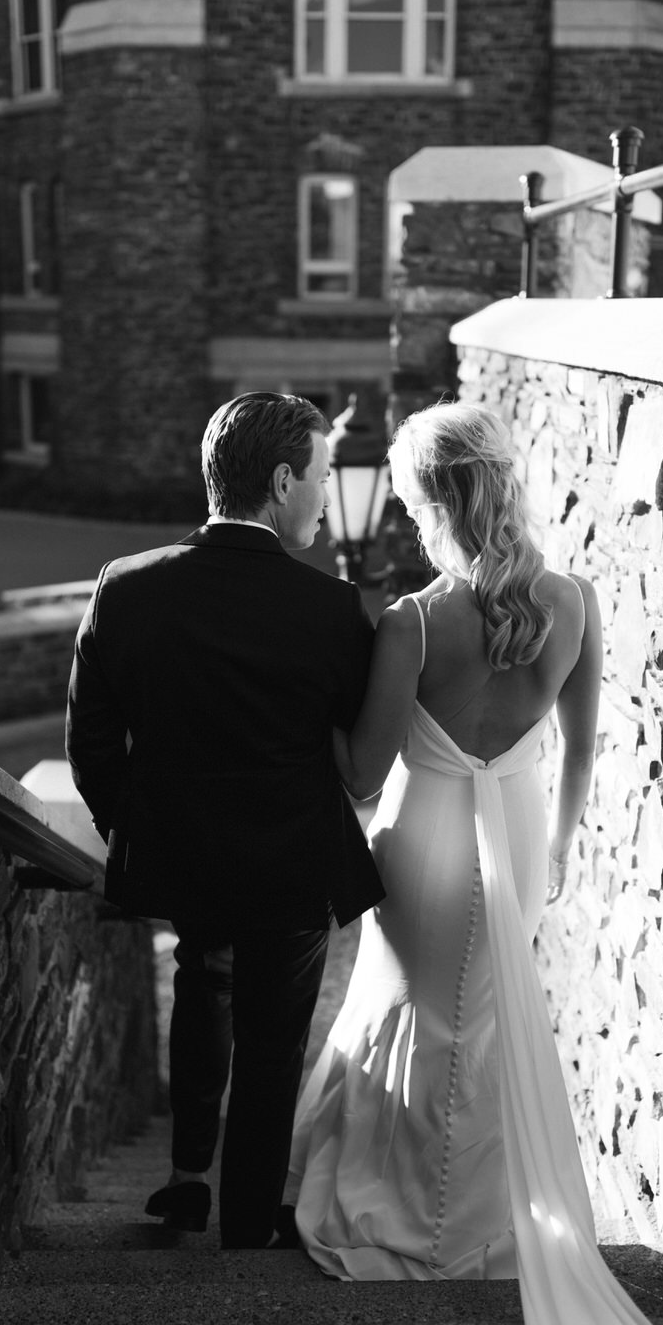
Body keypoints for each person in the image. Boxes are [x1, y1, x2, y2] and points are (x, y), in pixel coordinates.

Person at [288, 401, 663, 1325]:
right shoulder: (572, 601)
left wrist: (302, 712)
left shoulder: (412, 626)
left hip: (423, 834)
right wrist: (555, 849)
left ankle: (406, 1214)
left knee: (420, 1010)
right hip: (515, 833)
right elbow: (577, 752)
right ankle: (473, 1218)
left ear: (431, 500)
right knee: (477, 1016)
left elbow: (361, 773)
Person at [66, 391, 384, 1250]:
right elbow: (354, 750)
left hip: (180, 853)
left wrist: (132, 826)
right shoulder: (331, 610)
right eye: (320, 476)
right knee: (274, 1038)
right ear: (283, 482)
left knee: (200, 979)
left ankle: (186, 1175)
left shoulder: (126, 588)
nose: (325, 495)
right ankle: (247, 1220)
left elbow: (90, 736)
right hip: (291, 860)